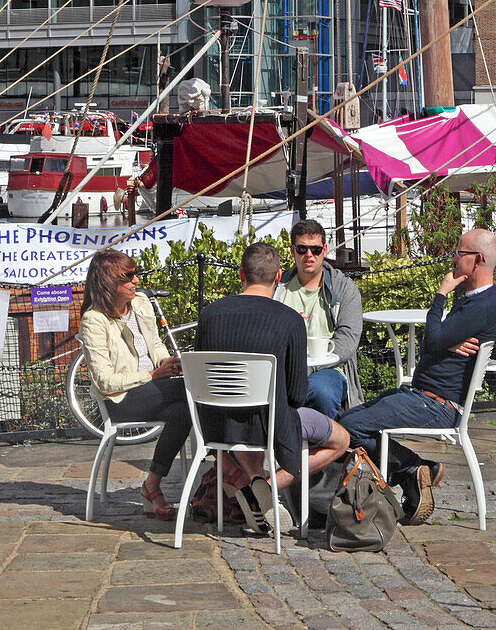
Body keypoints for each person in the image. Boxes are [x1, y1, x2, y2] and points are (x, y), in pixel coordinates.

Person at [340, 227, 496, 526]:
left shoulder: (481, 305)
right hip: (424, 396)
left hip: (438, 406)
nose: (453, 259)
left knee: (348, 427)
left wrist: (441, 294)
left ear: (477, 259)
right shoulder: (476, 299)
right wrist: (444, 341)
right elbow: (437, 341)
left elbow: (430, 342)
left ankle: (413, 467)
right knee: (348, 419)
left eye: (459, 252)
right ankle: (413, 471)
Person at [195, 241, 350, 533]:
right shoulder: (290, 321)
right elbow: (296, 395)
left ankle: (255, 483)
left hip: (219, 423)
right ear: (278, 277)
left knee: (248, 415)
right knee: (341, 439)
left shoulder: (210, 314)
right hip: (270, 425)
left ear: (241, 274)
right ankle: (265, 488)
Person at [78, 248, 190, 521]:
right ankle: (228, 480)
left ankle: (151, 487)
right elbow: (104, 382)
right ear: (108, 282)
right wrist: (152, 375)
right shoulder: (94, 320)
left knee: (186, 410)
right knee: (195, 388)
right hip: (121, 400)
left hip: (155, 391)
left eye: (135, 274)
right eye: (128, 276)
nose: (135, 281)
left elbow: (154, 344)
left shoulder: (140, 303)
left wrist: (169, 363)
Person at [275, 219, 364, 419]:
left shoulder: (344, 289)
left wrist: (310, 367)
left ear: (324, 250)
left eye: (315, 250)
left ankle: (328, 445)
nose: (309, 255)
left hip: (330, 369)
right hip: (283, 369)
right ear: (292, 251)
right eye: (302, 249)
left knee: (320, 391)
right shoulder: (278, 288)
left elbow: (348, 341)